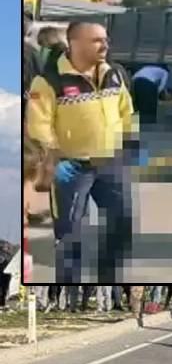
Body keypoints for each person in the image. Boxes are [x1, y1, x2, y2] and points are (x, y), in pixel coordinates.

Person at [26, 20, 136, 284]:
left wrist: (127, 142)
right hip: (70, 168)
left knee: (120, 226)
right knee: (71, 232)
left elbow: (126, 111)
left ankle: (108, 281)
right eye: (97, 40)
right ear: (75, 43)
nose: (105, 44)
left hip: (111, 163)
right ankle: (69, 288)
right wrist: (53, 153)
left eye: (105, 39)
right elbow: (39, 124)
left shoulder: (114, 74)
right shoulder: (49, 81)